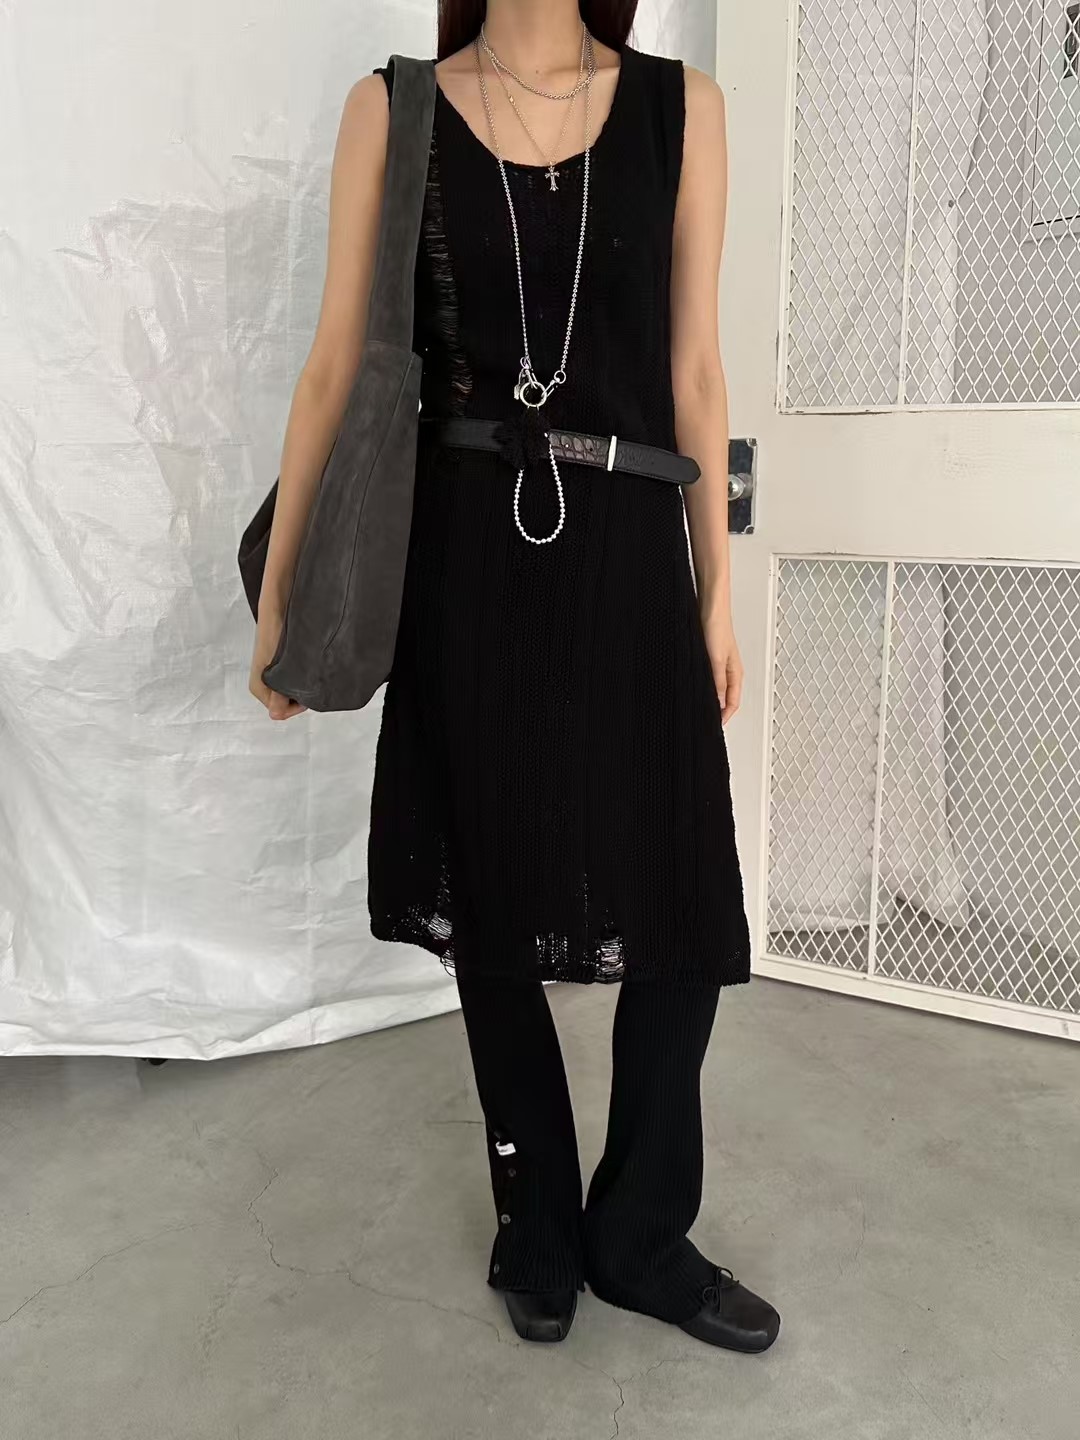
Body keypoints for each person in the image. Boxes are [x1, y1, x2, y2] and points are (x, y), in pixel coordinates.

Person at [249, 0, 780, 1352]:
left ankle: (640, 1233)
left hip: (629, 545)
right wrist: (283, 589)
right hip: (464, 552)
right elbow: (334, 369)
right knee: (487, 886)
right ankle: (536, 1214)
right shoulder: (395, 109)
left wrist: (717, 592)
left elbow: (696, 371)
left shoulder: (684, 111)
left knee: (681, 890)